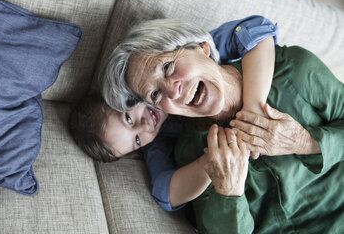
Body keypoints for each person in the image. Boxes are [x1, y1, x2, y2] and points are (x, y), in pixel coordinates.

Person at [102, 17, 344, 233]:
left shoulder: (294, 71)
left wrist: (306, 142)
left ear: (202, 48)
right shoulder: (190, 154)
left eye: (167, 67)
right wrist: (230, 192)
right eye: (155, 94)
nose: (173, 91)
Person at [70, 15, 278, 211]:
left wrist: (253, 109)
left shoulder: (194, 57)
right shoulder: (160, 140)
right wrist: (214, 159)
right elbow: (166, 192)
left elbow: (256, 30)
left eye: (129, 118)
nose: (146, 126)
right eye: (138, 141)